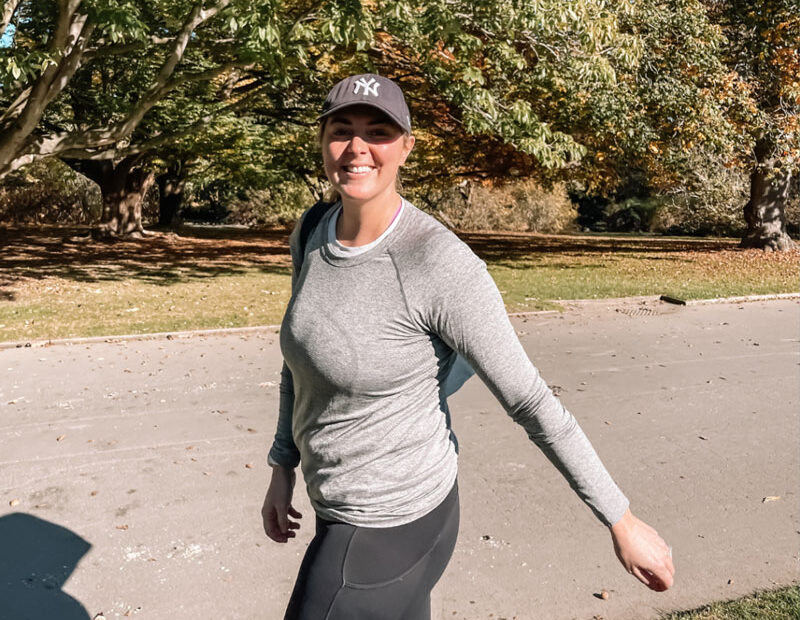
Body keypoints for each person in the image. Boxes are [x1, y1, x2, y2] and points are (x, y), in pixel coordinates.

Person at [262, 74, 675, 620]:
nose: (357, 147)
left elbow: (531, 401)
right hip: (337, 506)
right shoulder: (312, 231)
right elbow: (300, 362)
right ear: (322, 142)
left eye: (378, 132)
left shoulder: (438, 264)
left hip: (391, 524)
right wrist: (281, 465)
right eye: (342, 130)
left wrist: (621, 520)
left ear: (406, 146)